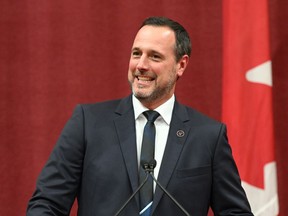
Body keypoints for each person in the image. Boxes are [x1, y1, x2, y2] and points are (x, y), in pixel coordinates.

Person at [27, 16, 253, 216]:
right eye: (137, 53)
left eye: (154, 56)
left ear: (180, 65)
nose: (141, 65)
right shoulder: (88, 123)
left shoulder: (208, 136)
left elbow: (235, 211)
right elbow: (47, 204)